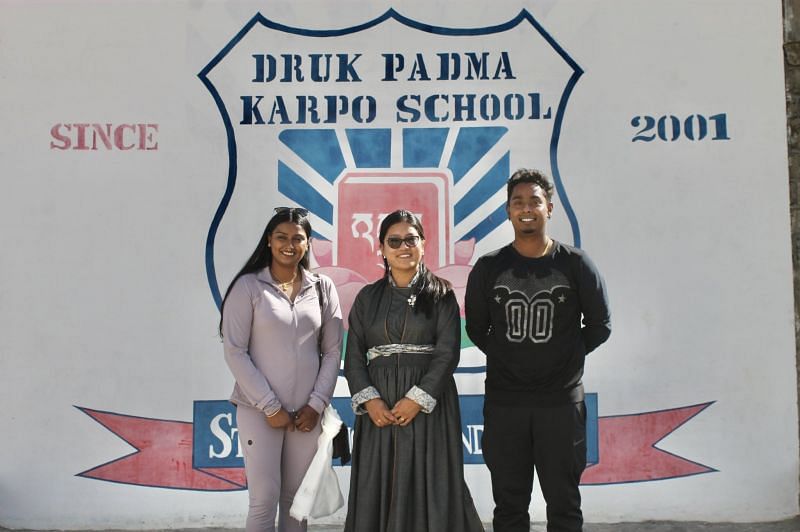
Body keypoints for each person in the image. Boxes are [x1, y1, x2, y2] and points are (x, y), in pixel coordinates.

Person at [464, 169, 611, 532]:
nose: (526, 209)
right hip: (505, 403)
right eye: (518, 202)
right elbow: (476, 328)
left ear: (550, 209)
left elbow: (599, 326)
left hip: (560, 404)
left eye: (534, 201)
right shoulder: (488, 267)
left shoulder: (575, 264)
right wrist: (509, 357)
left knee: (564, 504)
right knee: (509, 505)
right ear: (508, 211)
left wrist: (563, 357)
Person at [343, 209, 484, 532]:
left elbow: (447, 354)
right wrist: (371, 402)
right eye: (394, 241)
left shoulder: (442, 294)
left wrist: (417, 399)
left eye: (411, 239)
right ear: (381, 248)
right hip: (379, 405)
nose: (403, 246)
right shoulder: (367, 298)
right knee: (378, 480)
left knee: (431, 479)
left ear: (423, 244)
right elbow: (353, 358)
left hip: (429, 405)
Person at [219, 207, 343, 532]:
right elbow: (234, 351)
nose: (290, 244)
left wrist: (316, 404)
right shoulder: (248, 287)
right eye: (281, 237)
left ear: (308, 243)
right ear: (269, 242)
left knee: (297, 503)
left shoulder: (323, 288)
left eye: (298, 238)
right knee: (264, 498)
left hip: (307, 415)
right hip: (259, 411)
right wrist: (270, 406)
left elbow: (332, 352)